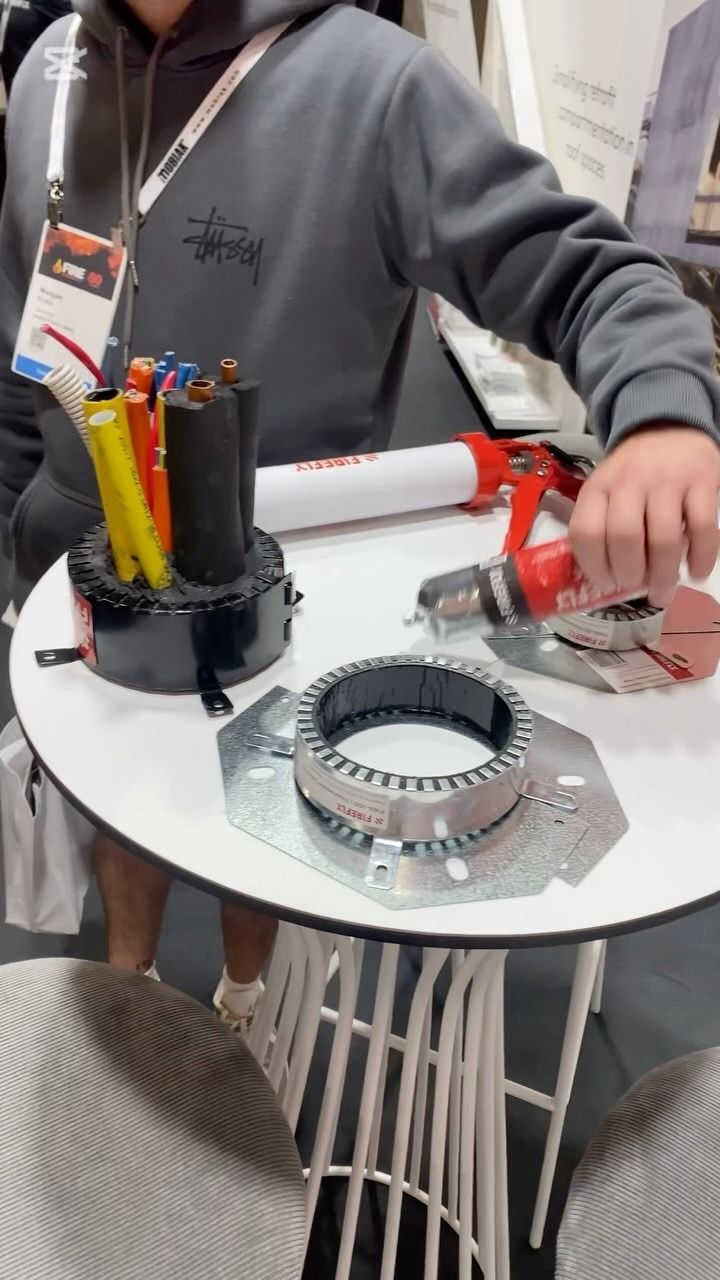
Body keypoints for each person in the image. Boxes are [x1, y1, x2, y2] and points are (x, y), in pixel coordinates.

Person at [1, 0, 718, 1047]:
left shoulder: (379, 88)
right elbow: (18, 334)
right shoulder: (51, 73)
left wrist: (660, 413)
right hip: (87, 575)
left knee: (260, 811)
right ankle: (135, 984)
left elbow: (591, 275)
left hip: (279, 586)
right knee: (123, 807)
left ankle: (246, 1009)